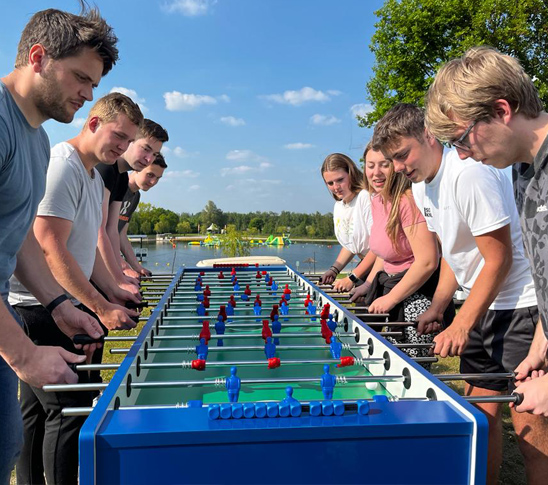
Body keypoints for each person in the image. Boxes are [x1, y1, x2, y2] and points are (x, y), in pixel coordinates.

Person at [372, 103, 547, 485]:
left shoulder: (468, 175)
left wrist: (461, 323)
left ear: (430, 137)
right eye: (391, 159)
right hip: (482, 307)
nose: (398, 167)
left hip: (521, 305)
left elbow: (499, 259)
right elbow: (454, 253)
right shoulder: (421, 186)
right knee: (481, 419)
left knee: (531, 431)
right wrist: (438, 307)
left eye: (402, 155)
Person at [0, 7, 118, 484]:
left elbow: (21, 236)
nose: (89, 95)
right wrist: (26, 354)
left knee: (8, 443)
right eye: (81, 78)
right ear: (38, 57)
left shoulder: (36, 140)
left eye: (94, 84)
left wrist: (59, 303)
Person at [9, 92, 143, 485]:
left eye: (127, 141)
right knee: (69, 413)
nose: (121, 147)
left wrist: (113, 290)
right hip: (41, 305)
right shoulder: (63, 166)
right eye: (118, 136)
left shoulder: (88, 173)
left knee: (37, 414)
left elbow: (88, 251)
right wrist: (99, 308)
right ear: (94, 122)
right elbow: (50, 246)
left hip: (56, 303)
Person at [425, 46, 548, 419]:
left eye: (462, 138)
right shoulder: (522, 172)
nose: (460, 155)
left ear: (501, 111)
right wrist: (540, 346)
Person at [349, 144, 443, 363]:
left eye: (384, 165)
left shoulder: (407, 200)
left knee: (409, 370)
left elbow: (428, 261)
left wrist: (391, 298)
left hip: (416, 298)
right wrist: (368, 283)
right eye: (370, 166)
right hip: (389, 289)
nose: (376, 172)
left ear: (396, 167)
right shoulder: (378, 201)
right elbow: (385, 252)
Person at [96, 118, 168, 288]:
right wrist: (120, 273)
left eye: (155, 155)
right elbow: (99, 231)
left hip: (96, 266)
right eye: (146, 149)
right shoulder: (106, 170)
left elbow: (115, 232)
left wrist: (132, 267)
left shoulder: (121, 178)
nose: (148, 159)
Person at [320, 153, 375, 291]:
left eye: (340, 180)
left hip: (382, 265)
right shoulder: (339, 205)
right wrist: (334, 270)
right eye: (330, 183)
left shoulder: (366, 197)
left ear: (351, 174)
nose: (336, 187)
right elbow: (352, 245)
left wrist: (352, 277)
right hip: (366, 264)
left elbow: (379, 247)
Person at [118, 153, 167, 277]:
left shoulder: (136, 196)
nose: (153, 182)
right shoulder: (116, 186)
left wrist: (136, 266)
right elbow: (100, 233)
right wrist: (123, 266)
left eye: (158, 178)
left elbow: (121, 234)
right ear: (138, 168)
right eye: (150, 175)